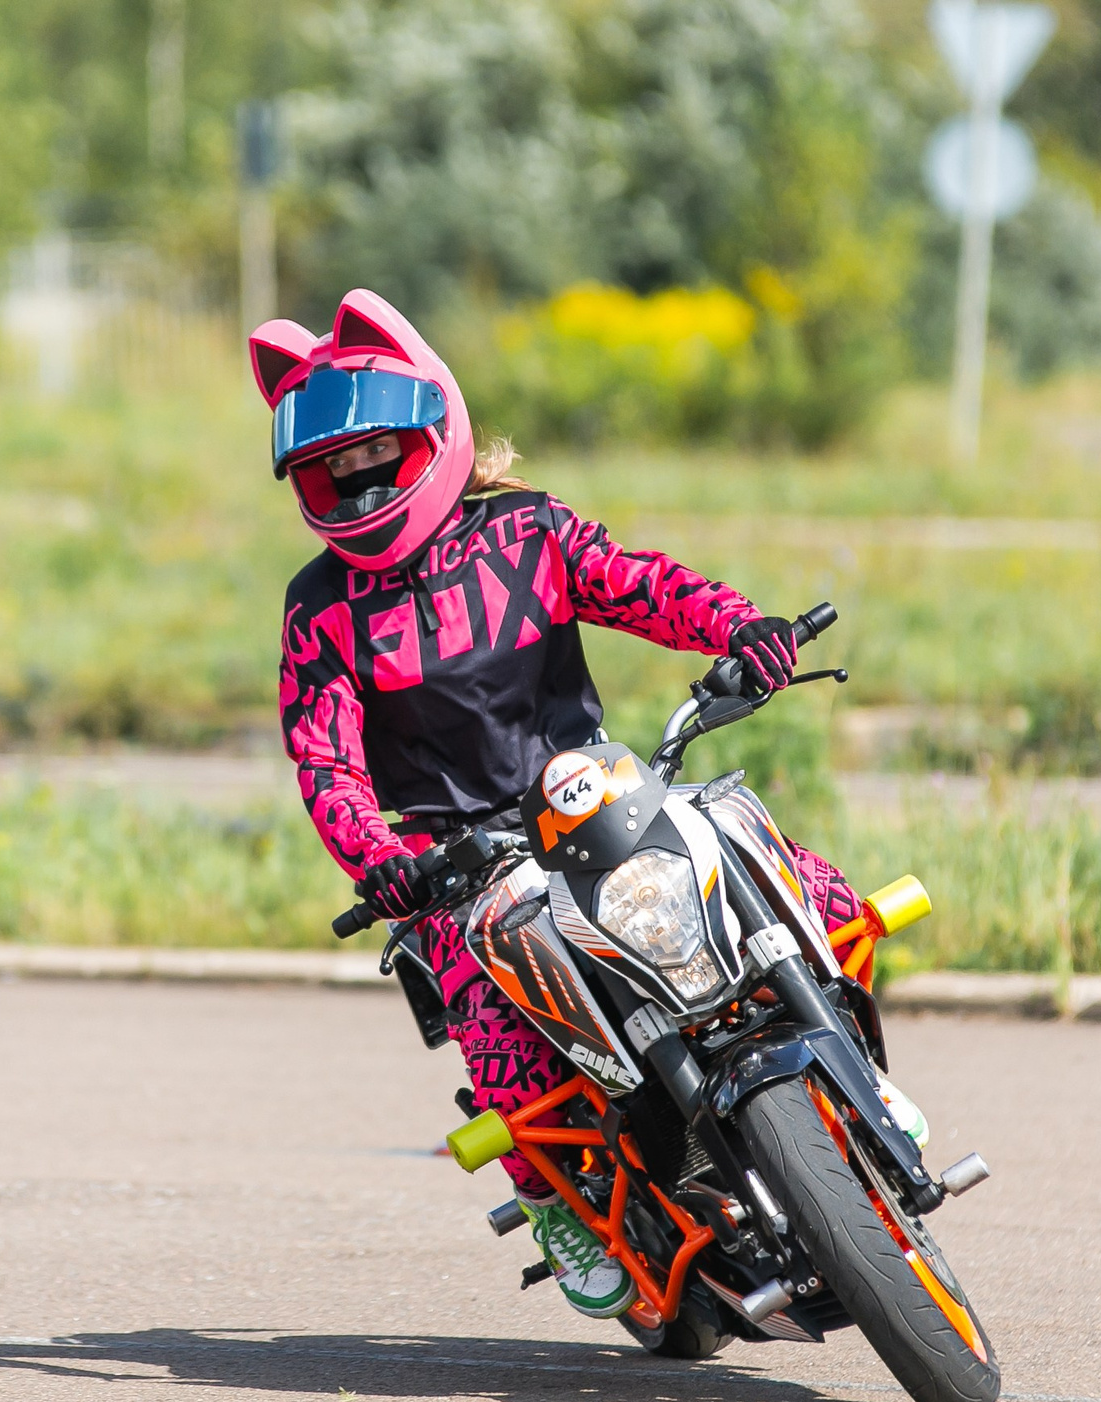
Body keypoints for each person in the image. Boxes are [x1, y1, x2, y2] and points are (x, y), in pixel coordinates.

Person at [257, 288, 864, 1321]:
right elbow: (324, 760)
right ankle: (555, 1204)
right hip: (455, 864)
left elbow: (637, 583)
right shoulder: (317, 609)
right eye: (332, 469)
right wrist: (380, 862)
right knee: (499, 1039)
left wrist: (737, 629)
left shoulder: (528, 527)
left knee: (818, 895)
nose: (355, 480)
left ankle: (854, 1084)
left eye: (374, 458)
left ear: (432, 430)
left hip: (593, 797)